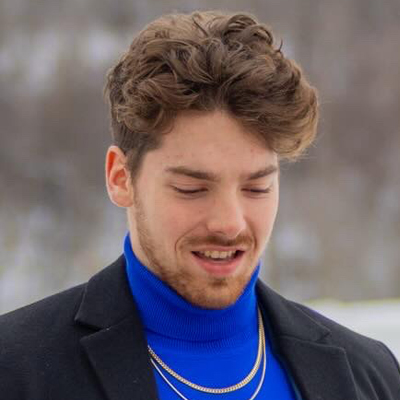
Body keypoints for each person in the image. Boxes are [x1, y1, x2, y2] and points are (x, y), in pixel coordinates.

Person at [0, 10, 399, 400]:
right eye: (192, 188)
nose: (229, 223)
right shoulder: (15, 369)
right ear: (121, 178)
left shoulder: (369, 374)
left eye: (256, 188)